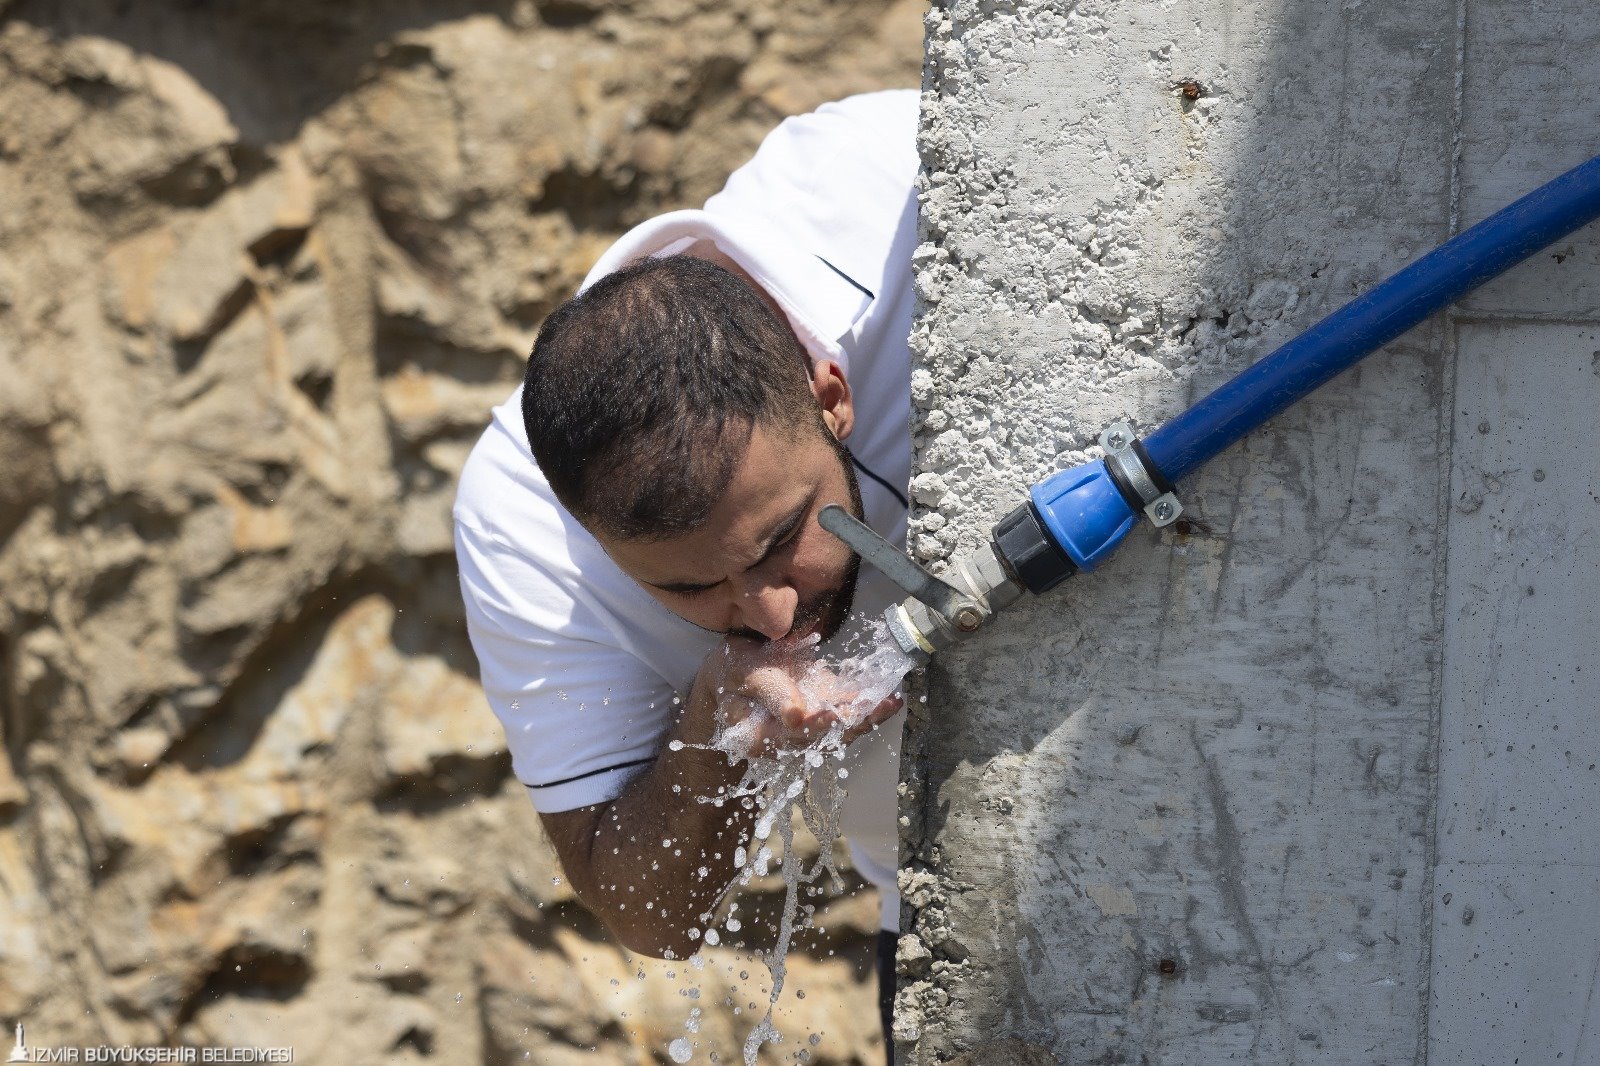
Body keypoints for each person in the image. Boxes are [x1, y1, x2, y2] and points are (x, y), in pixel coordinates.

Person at [453, 89, 919, 1058]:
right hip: (939, 907)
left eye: (780, 536)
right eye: (684, 590)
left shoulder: (901, 195)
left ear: (830, 392)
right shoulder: (523, 525)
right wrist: (714, 726)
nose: (770, 609)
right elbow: (650, 914)